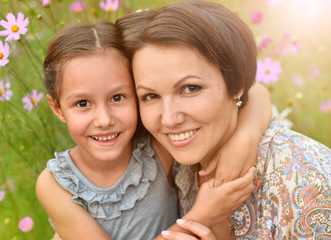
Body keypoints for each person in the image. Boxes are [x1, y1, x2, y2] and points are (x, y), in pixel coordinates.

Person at [116, 0, 331, 239]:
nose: (169, 118)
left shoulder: (307, 184)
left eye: (190, 88)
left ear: (236, 84)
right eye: (150, 96)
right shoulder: (168, 160)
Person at [35, 20, 267, 240]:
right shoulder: (56, 186)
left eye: (117, 97)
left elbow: (255, 91)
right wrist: (204, 214)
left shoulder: (153, 149)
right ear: (57, 107)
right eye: (82, 103)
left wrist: (244, 138)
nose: (104, 120)